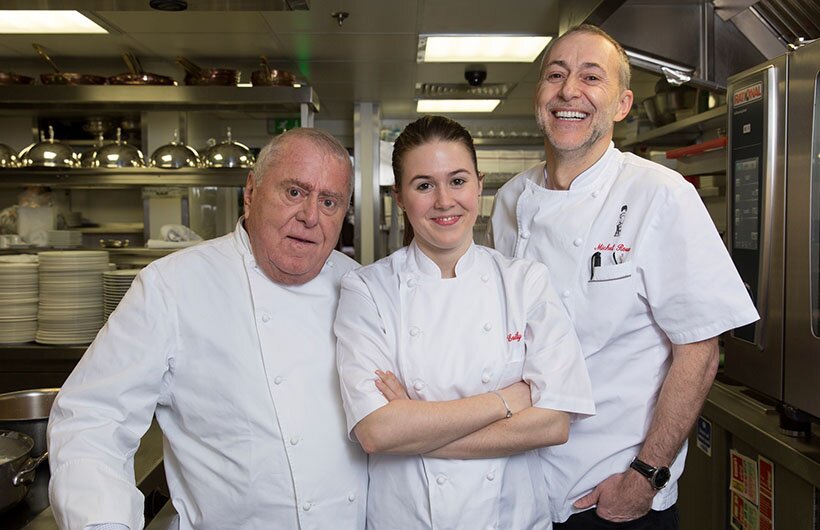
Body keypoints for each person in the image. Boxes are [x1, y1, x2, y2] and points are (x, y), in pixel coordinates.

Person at [489, 24, 759, 529]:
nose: (569, 90)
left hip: (612, 499)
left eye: (591, 77)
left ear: (621, 104)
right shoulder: (509, 200)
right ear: (539, 96)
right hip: (520, 490)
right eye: (556, 75)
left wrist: (646, 477)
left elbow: (699, 351)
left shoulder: (661, 194)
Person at [47, 128, 367, 530]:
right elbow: (93, 419)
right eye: (294, 192)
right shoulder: (173, 286)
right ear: (250, 192)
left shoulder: (360, 287)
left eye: (329, 201)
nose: (310, 216)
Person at [334, 115, 595, 530]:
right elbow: (378, 432)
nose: (443, 201)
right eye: (424, 185)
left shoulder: (525, 281)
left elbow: (553, 423)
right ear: (400, 197)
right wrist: (506, 402)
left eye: (457, 181)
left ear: (479, 183)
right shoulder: (366, 290)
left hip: (510, 518)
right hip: (409, 518)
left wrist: (415, 428)